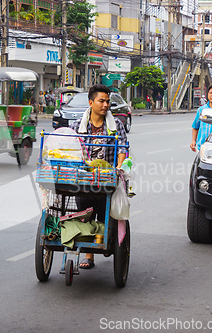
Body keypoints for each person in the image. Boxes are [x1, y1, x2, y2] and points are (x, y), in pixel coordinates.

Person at [69, 84, 128, 269]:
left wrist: (119, 166)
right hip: (84, 180)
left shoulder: (116, 124)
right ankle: (89, 255)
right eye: (101, 101)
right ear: (91, 102)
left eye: (107, 101)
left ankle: (107, 240)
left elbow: (123, 147)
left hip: (106, 179)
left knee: (104, 214)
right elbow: (69, 149)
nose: (105, 105)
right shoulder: (77, 125)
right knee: (86, 215)